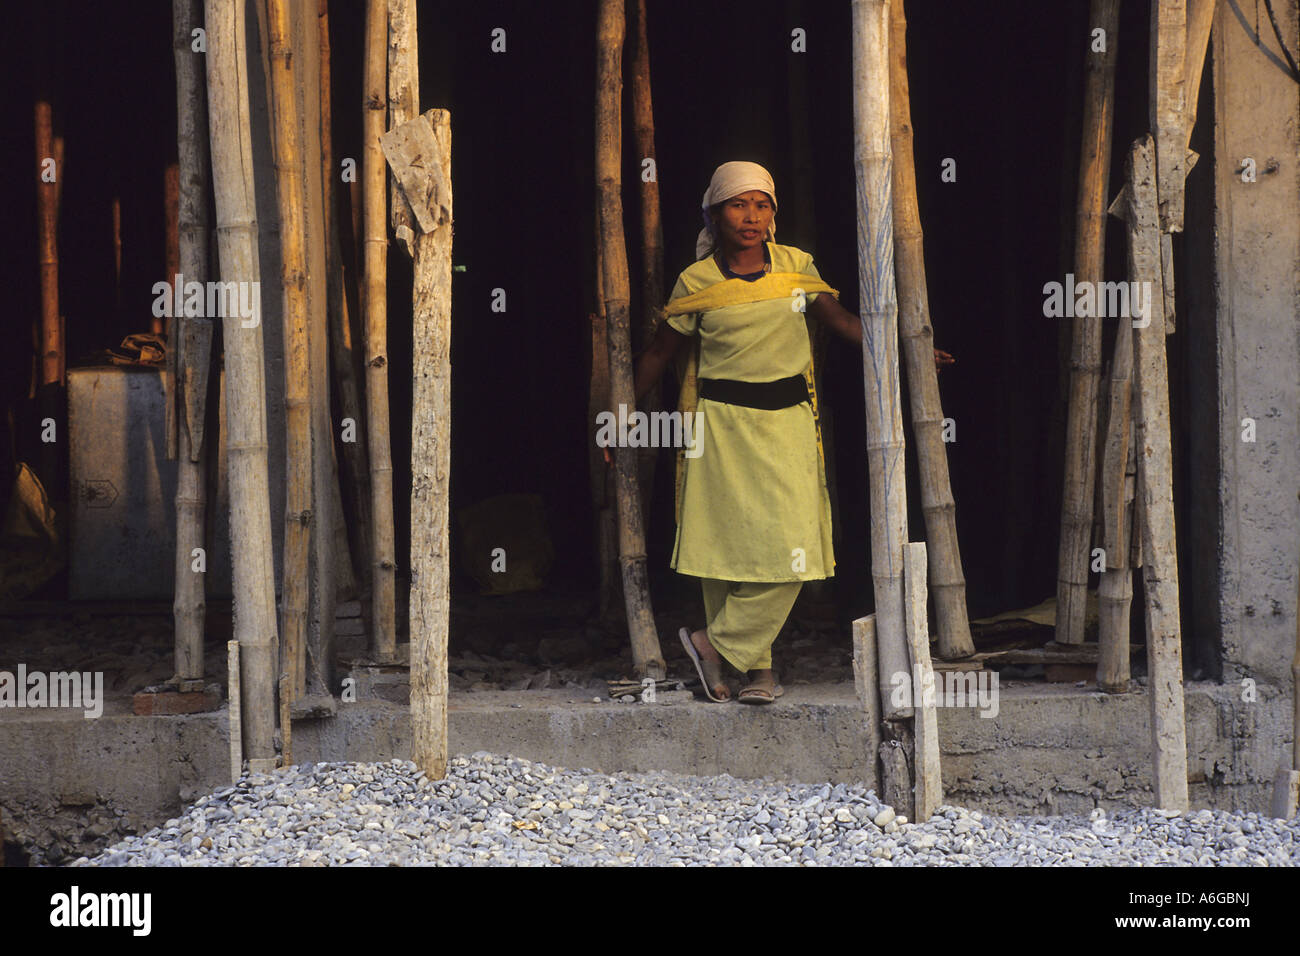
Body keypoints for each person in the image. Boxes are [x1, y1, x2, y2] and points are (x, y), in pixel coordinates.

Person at [632, 160, 951, 704]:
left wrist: (905, 346)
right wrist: (619, 416)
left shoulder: (796, 268)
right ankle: (755, 672)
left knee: (794, 548)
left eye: (761, 205)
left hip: (788, 423)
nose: (750, 216)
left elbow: (842, 320)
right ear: (715, 212)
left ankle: (712, 644)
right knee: (725, 549)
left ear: (773, 214)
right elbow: (662, 352)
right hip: (721, 425)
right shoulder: (697, 281)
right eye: (737, 204)